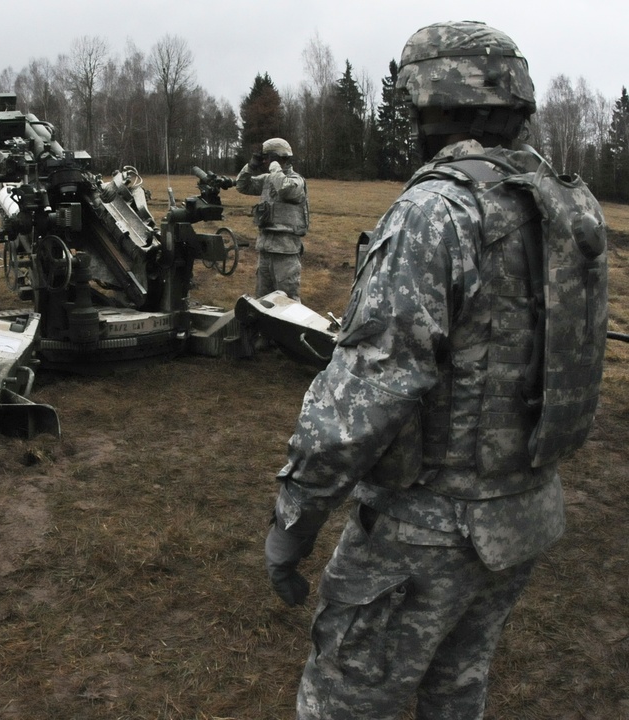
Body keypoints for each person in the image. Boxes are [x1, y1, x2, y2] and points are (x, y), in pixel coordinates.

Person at [263, 21, 607, 719]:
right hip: (522, 519)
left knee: (346, 701)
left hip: (424, 533)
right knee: (455, 687)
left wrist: (294, 518)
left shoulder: (438, 211)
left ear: (435, 107)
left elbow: (367, 392)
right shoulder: (567, 203)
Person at [236, 137, 309, 300]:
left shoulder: (296, 181)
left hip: (286, 252)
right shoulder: (268, 179)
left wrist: (275, 166)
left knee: (287, 301)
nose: (265, 161)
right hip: (265, 249)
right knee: (262, 301)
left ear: (278, 158)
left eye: (268, 157)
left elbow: (284, 189)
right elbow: (242, 185)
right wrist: (250, 166)